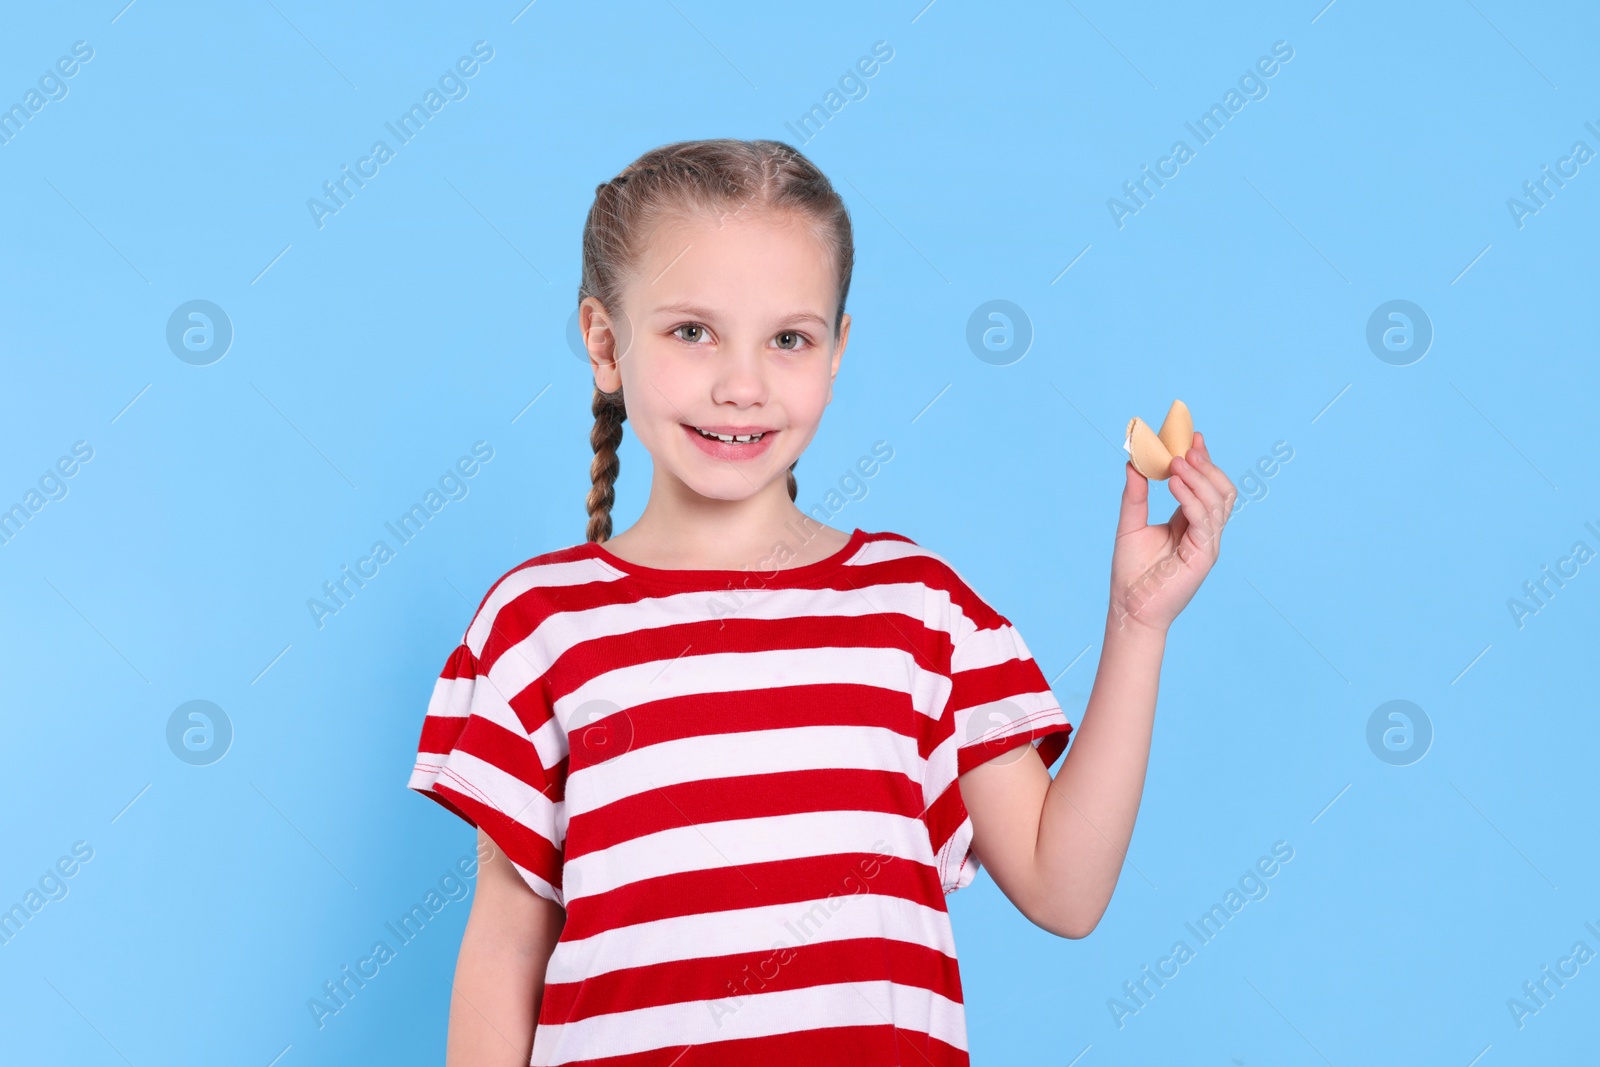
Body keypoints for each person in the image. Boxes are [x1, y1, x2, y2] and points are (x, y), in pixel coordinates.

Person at [407, 138, 1235, 1066]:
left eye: (788, 338)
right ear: (605, 342)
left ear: (837, 352)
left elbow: (1066, 889)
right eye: (692, 331)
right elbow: (504, 948)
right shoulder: (538, 627)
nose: (742, 384)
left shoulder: (918, 614)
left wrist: (1137, 623)